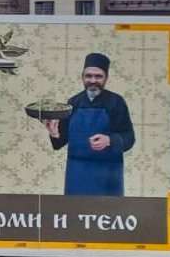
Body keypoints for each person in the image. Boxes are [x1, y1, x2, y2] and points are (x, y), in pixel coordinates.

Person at [45, 52, 136, 196]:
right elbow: (60, 143)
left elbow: (129, 138)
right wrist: (54, 133)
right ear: (83, 77)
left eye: (98, 76)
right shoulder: (73, 102)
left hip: (107, 173)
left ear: (106, 78)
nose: (93, 80)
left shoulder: (116, 102)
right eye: (88, 76)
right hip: (77, 173)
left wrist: (109, 140)